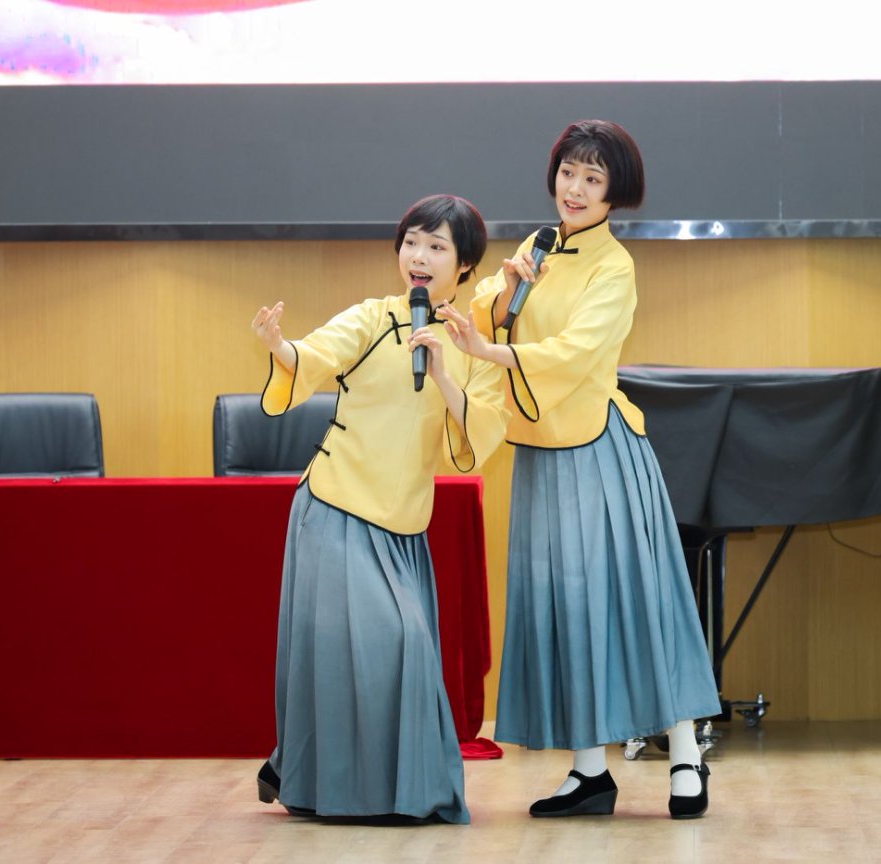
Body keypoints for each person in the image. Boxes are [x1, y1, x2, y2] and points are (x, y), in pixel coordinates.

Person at [439, 120, 721, 819]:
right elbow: (486, 316)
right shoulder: (536, 247)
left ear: (614, 193)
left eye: (593, 178)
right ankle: (590, 770)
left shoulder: (614, 267)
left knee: (638, 602)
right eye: (569, 172)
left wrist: (493, 350)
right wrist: (505, 292)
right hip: (541, 451)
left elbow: (575, 353)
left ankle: (685, 755)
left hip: (600, 452)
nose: (576, 188)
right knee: (560, 607)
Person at [250, 194, 509, 824]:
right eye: (412, 242)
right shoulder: (373, 316)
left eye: (437, 246)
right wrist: (281, 347)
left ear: (465, 265)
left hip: (401, 523)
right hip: (335, 504)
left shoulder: (474, 344)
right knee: (382, 645)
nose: (418, 256)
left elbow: (475, 441)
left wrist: (444, 370)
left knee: (400, 650)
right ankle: (335, 787)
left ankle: (392, 791)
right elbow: (313, 357)